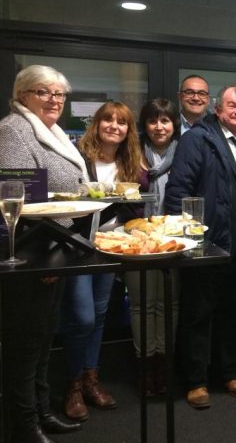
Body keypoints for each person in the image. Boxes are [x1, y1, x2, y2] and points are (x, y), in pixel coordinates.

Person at [0, 65, 85, 443]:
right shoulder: (13, 130)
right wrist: (42, 256)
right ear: (22, 95)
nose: (54, 100)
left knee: (44, 337)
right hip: (33, 251)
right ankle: (23, 424)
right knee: (24, 344)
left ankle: (42, 410)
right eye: (44, 92)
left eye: (60, 94)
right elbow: (18, 201)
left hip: (55, 249)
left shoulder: (50, 131)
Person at [165, 85, 236, 409]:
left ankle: (229, 373)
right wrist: (190, 242)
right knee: (198, 313)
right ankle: (195, 381)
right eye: (232, 105)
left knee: (234, 311)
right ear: (218, 110)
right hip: (207, 243)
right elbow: (178, 191)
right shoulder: (198, 138)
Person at [63, 101, 147, 422]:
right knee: (81, 318)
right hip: (79, 247)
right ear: (97, 124)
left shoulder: (129, 163)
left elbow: (131, 208)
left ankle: (90, 380)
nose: (114, 126)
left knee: (99, 315)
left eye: (122, 122)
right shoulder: (79, 158)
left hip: (112, 248)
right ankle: (72, 384)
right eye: (108, 120)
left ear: (128, 130)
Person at [123, 98, 181, 397]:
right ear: (144, 125)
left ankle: (164, 364)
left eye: (166, 121)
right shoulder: (131, 153)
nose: (160, 127)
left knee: (168, 303)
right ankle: (145, 367)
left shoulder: (184, 152)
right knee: (142, 305)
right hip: (137, 238)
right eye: (153, 121)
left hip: (173, 238)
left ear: (174, 124)